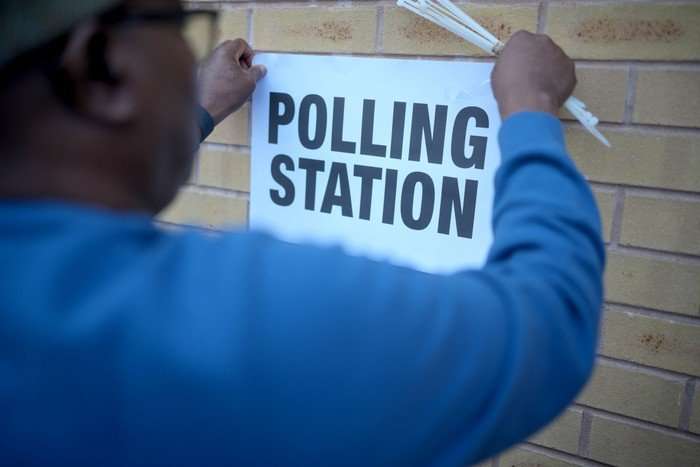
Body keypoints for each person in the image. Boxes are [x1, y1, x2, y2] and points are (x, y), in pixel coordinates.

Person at [0, 0, 604, 466]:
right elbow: (546, 325)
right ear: (102, 68)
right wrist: (529, 107)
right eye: (182, 26)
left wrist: (193, 116)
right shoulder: (250, 317)